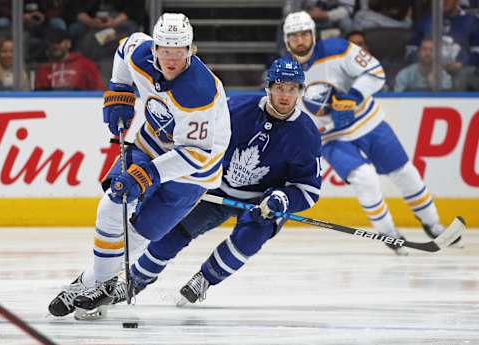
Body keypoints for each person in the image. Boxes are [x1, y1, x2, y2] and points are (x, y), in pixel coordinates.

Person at [47, 12, 231, 317]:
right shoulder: (141, 52)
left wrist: (148, 174)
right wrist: (119, 89)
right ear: (155, 48)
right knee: (112, 204)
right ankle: (104, 285)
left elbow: (196, 154)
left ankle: (87, 281)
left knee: (138, 235)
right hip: (150, 144)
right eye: (166, 50)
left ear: (190, 50)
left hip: (194, 172)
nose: (172, 59)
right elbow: (124, 48)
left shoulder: (199, 92)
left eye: (180, 51)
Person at [128, 58, 323, 305]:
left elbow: (308, 190)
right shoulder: (236, 108)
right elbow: (199, 141)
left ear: (300, 91)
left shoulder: (306, 135)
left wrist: (282, 199)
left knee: (250, 238)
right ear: (269, 87)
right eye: (280, 88)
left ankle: (205, 279)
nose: (285, 95)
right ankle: (135, 279)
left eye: (292, 89)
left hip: (262, 202)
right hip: (216, 188)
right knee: (174, 232)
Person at [282, 11, 463, 256]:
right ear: (286, 40)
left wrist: (353, 97)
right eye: (294, 36)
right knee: (364, 177)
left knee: (405, 173)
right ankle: (389, 234)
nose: (301, 40)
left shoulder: (338, 48)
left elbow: (376, 72)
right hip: (330, 137)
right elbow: (284, 110)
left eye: (305, 34)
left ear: (313, 34)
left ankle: (433, 224)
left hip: (368, 121)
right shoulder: (284, 71)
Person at [34, 28, 104, 90]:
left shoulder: (86, 65)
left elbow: (98, 90)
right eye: (51, 42)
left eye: (58, 42)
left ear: (69, 44)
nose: (55, 46)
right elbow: (39, 96)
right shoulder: (43, 69)